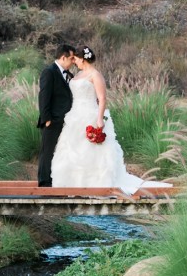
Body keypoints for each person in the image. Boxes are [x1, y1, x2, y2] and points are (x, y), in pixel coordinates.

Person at [51, 45, 172, 194]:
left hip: (90, 114)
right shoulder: (77, 75)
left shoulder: (95, 75)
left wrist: (100, 119)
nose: (74, 62)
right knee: (71, 151)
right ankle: (73, 185)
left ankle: (95, 186)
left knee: (92, 152)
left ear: (82, 59)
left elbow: (102, 99)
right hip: (75, 116)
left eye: (75, 59)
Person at [37, 43, 77, 187]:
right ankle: (44, 183)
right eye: (71, 58)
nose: (73, 62)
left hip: (66, 121)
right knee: (47, 151)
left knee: (60, 152)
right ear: (63, 57)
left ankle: (56, 181)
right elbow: (44, 97)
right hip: (52, 120)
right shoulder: (49, 72)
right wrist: (46, 119)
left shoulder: (69, 75)